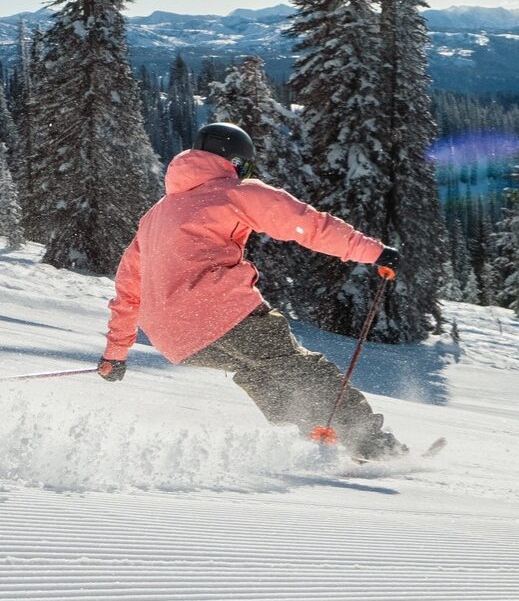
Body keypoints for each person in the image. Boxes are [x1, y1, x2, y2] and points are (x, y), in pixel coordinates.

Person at [98, 121, 406, 460]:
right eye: (243, 166)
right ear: (234, 162)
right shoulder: (235, 193)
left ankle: (316, 441)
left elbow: (128, 288)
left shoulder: (155, 215)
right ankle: (372, 444)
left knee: (259, 371)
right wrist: (373, 252)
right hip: (221, 312)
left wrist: (116, 353)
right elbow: (308, 225)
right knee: (300, 368)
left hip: (175, 339)